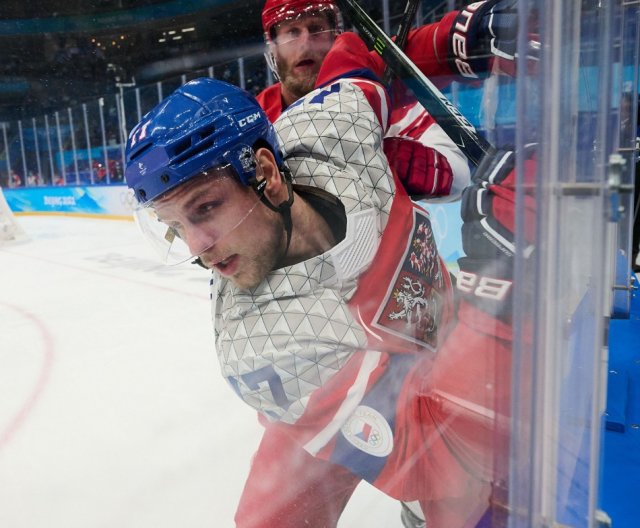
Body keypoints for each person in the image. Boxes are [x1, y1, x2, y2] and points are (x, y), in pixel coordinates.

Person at [125, 29, 526, 528]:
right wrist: (509, 291)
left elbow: (366, 51)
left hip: (434, 340)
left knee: (481, 505)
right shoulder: (263, 348)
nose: (198, 248)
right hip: (339, 394)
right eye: (173, 227)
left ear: (267, 172)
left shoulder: (329, 125)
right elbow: (432, 449)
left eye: (205, 208)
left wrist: (460, 36)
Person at [258, 0, 518, 202]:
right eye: (292, 32)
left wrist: (401, 164)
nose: (306, 44)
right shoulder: (254, 118)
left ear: (334, 37)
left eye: (316, 29)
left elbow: (459, 176)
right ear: (273, 48)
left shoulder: (380, 96)